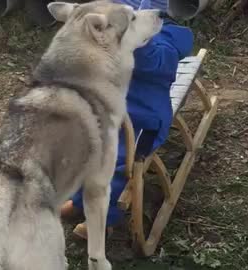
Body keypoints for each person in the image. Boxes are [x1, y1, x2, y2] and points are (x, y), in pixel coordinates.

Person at [61, 0, 194, 239]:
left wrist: (137, 39)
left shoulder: (171, 39)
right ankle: (80, 201)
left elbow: (154, 62)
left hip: (143, 122)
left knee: (117, 162)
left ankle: (104, 220)